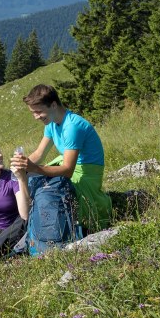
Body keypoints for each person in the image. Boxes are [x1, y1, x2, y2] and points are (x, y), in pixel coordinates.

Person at [10, 84, 112, 233]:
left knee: (37, 183)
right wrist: (21, 166)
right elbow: (39, 154)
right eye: (33, 113)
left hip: (85, 176)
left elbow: (68, 170)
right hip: (73, 169)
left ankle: (31, 227)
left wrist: (33, 168)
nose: (36, 117)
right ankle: (26, 222)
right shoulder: (52, 123)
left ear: (53, 105)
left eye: (38, 112)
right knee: (26, 179)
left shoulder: (72, 126)